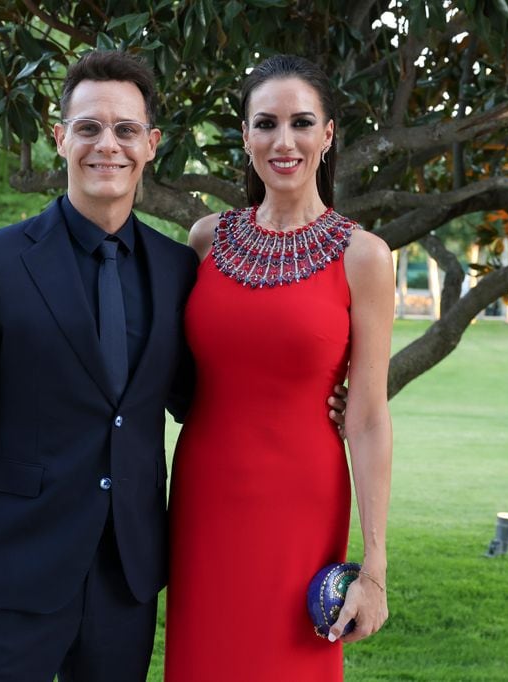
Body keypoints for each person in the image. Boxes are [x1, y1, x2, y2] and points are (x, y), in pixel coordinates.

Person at [0, 51, 346, 681]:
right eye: (88, 128)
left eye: (124, 130)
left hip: (127, 581)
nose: (105, 145)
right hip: (11, 578)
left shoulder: (176, 272)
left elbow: (212, 394)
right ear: (61, 139)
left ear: (151, 144)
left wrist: (319, 392)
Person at [164, 54, 395, 682]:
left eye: (302, 123)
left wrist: (372, 568)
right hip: (204, 496)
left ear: (328, 134)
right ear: (245, 136)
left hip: (304, 501)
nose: (283, 140)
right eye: (265, 123)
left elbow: (370, 416)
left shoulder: (365, 257)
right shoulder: (206, 240)